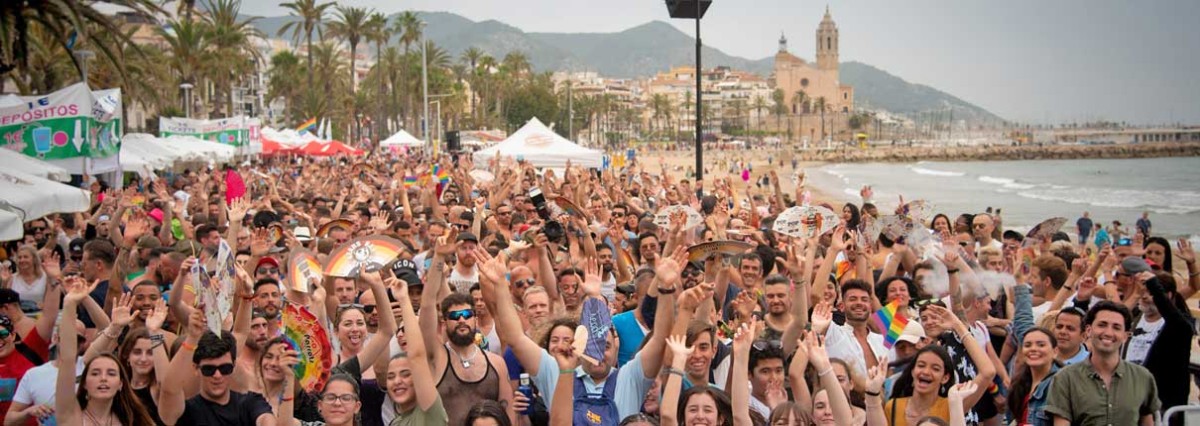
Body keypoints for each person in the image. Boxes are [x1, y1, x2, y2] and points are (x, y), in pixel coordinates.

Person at [159, 308, 295, 426]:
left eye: (225, 369)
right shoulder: (186, 410)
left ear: (234, 366)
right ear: (196, 368)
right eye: (209, 370)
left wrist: (288, 378)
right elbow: (169, 389)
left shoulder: (251, 402)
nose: (217, 375)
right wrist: (192, 338)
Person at [1043, 301, 1159, 425]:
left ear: (1125, 336)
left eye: (1116, 327)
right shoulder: (1065, 378)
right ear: (1088, 330)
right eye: (1102, 325)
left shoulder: (1142, 377)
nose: (1108, 333)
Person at [384, 271, 448, 426]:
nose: (397, 381)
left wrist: (404, 299)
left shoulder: (430, 412)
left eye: (406, 374)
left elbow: (417, 356)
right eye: (391, 377)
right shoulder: (395, 423)